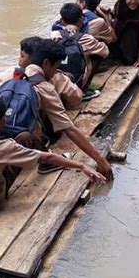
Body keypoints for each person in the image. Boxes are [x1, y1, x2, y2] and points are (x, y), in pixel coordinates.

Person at [0, 95, 106, 202]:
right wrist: (82, 165)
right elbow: (46, 157)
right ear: (2, 119)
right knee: (25, 138)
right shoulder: (4, 146)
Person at [24, 39, 113, 179]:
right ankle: (46, 161)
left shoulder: (11, 73)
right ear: (46, 63)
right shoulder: (44, 87)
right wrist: (100, 159)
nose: (54, 73)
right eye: (56, 67)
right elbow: (69, 129)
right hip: (25, 143)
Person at [0, 36, 83, 110]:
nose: (19, 60)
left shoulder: (8, 74)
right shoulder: (56, 77)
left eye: (22, 56)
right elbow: (77, 98)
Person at [51, 3, 109, 87]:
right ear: (81, 20)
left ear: (61, 21)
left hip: (56, 78)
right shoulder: (87, 39)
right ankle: (85, 87)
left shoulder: (53, 35)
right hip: (78, 82)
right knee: (97, 55)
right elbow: (106, 51)